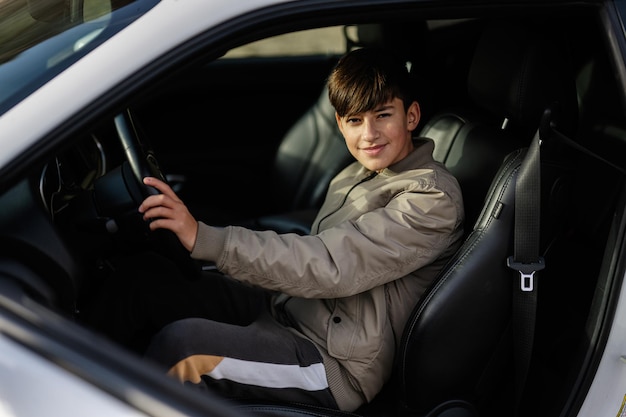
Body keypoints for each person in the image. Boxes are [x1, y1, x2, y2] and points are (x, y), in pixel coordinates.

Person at [100, 47, 465, 412]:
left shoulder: (430, 198)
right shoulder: (359, 172)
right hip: (287, 310)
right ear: (339, 124)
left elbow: (329, 264)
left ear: (411, 115)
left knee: (182, 349)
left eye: (383, 115)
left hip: (331, 361)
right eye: (354, 120)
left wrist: (205, 238)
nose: (369, 134)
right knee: (145, 282)